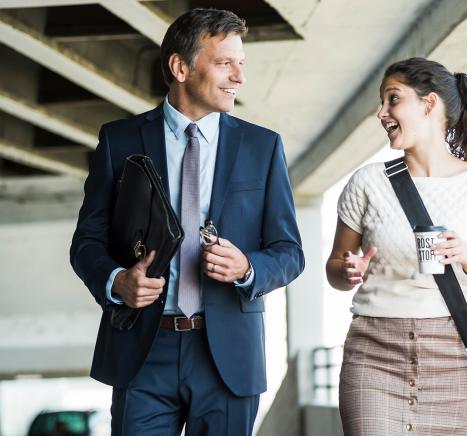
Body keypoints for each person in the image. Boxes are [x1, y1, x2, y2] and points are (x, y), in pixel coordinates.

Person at [70, 8, 304, 435]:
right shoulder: (118, 141)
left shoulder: (263, 147)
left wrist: (248, 269)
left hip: (228, 356)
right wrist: (117, 280)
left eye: (241, 63)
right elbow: (86, 241)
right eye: (224, 63)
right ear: (180, 67)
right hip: (142, 350)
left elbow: (290, 253)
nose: (239, 76)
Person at [326, 57, 467, 435]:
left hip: (454, 358)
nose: (381, 113)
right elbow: (334, 268)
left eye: (392, 99)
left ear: (429, 104)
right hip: (374, 355)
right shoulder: (367, 183)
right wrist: (346, 270)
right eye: (381, 103)